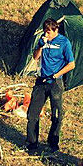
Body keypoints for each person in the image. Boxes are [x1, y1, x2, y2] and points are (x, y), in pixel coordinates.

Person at [25, 18, 75, 154]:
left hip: (55, 82)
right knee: (32, 114)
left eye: (49, 32)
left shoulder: (64, 42)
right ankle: (32, 143)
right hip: (41, 81)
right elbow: (35, 58)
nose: (47, 34)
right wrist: (40, 45)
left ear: (55, 30)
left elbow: (71, 64)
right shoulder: (43, 40)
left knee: (57, 114)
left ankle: (53, 143)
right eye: (45, 32)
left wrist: (56, 75)